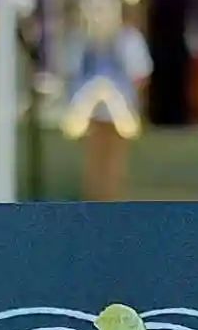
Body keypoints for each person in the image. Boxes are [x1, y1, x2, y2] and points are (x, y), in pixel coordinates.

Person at [62, 19, 153, 202]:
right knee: (93, 167)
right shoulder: (79, 39)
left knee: (113, 166)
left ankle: (111, 205)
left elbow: (140, 76)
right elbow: (70, 73)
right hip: (89, 115)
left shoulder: (129, 39)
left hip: (119, 115)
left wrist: (122, 100)